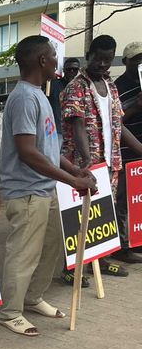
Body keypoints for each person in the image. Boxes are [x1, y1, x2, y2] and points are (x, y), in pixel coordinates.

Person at [0, 36, 97, 336]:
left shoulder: (39, 94)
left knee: (51, 247)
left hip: (44, 188)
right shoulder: (25, 97)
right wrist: (73, 181)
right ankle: (10, 312)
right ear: (42, 61)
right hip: (26, 192)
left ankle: (31, 298)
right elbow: (27, 152)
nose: (58, 60)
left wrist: (74, 170)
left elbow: (48, 147)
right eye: (54, 55)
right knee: (24, 253)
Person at [61, 35, 142, 271]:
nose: (103, 65)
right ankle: (72, 268)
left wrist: (139, 148)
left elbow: (119, 123)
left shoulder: (110, 86)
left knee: (103, 213)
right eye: (99, 59)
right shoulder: (76, 87)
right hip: (85, 163)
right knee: (79, 214)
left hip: (110, 161)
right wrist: (86, 160)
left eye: (108, 60)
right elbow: (77, 124)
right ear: (89, 57)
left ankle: (100, 261)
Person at [114, 41, 142, 258]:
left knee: (139, 198)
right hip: (127, 150)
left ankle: (137, 239)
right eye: (136, 58)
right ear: (125, 61)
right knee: (124, 198)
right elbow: (116, 120)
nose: (141, 62)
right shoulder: (118, 86)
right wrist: (136, 106)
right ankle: (122, 246)